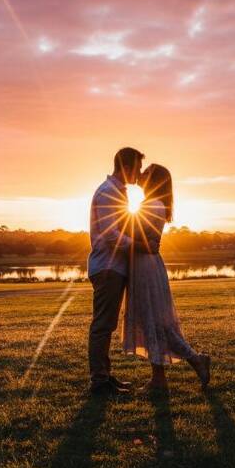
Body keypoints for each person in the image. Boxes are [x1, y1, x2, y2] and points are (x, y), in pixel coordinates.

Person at [122, 163, 211, 391]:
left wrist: (123, 238)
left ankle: (193, 360)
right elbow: (142, 241)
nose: (140, 174)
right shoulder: (150, 204)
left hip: (146, 268)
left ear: (153, 180)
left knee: (156, 323)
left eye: (146, 172)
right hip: (143, 266)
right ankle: (159, 377)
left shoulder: (152, 205)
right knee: (151, 322)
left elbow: (142, 241)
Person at [87, 147, 145, 395]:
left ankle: (105, 376)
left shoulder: (115, 191)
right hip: (108, 267)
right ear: (127, 167)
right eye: (138, 168)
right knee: (102, 325)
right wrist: (139, 245)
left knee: (107, 324)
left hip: (113, 267)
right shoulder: (109, 192)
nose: (139, 173)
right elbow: (112, 234)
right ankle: (99, 381)